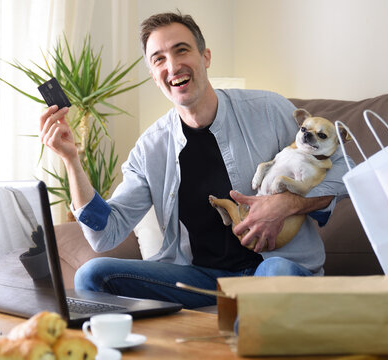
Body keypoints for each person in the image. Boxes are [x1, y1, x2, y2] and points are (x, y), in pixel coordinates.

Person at [39, 12, 352, 309]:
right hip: (201, 280)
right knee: (92, 275)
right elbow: (105, 233)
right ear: (153, 74)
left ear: (205, 57)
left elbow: (346, 171)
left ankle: (248, 332)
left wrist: (289, 204)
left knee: (274, 275)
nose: (172, 66)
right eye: (159, 59)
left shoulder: (268, 109)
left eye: (181, 50)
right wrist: (71, 160)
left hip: (277, 268)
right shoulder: (150, 148)